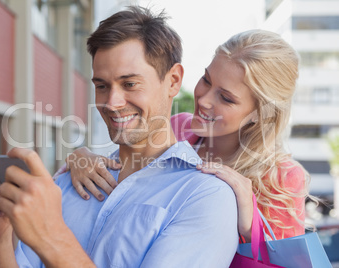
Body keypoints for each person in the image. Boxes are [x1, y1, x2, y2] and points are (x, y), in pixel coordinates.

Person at [0, 6, 238, 267]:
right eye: (102, 86)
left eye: (130, 84)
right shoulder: (69, 181)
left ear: (173, 80)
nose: (112, 102)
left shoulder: (207, 196)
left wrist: (52, 237)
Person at [58, 29, 312, 241]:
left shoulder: (283, 178)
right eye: (206, 80)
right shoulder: (180, 128)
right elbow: (127, 171)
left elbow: (285, 262)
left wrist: (249, 225)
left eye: (226, 98)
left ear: (259, 112)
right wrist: (82, 158)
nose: (203, 99)